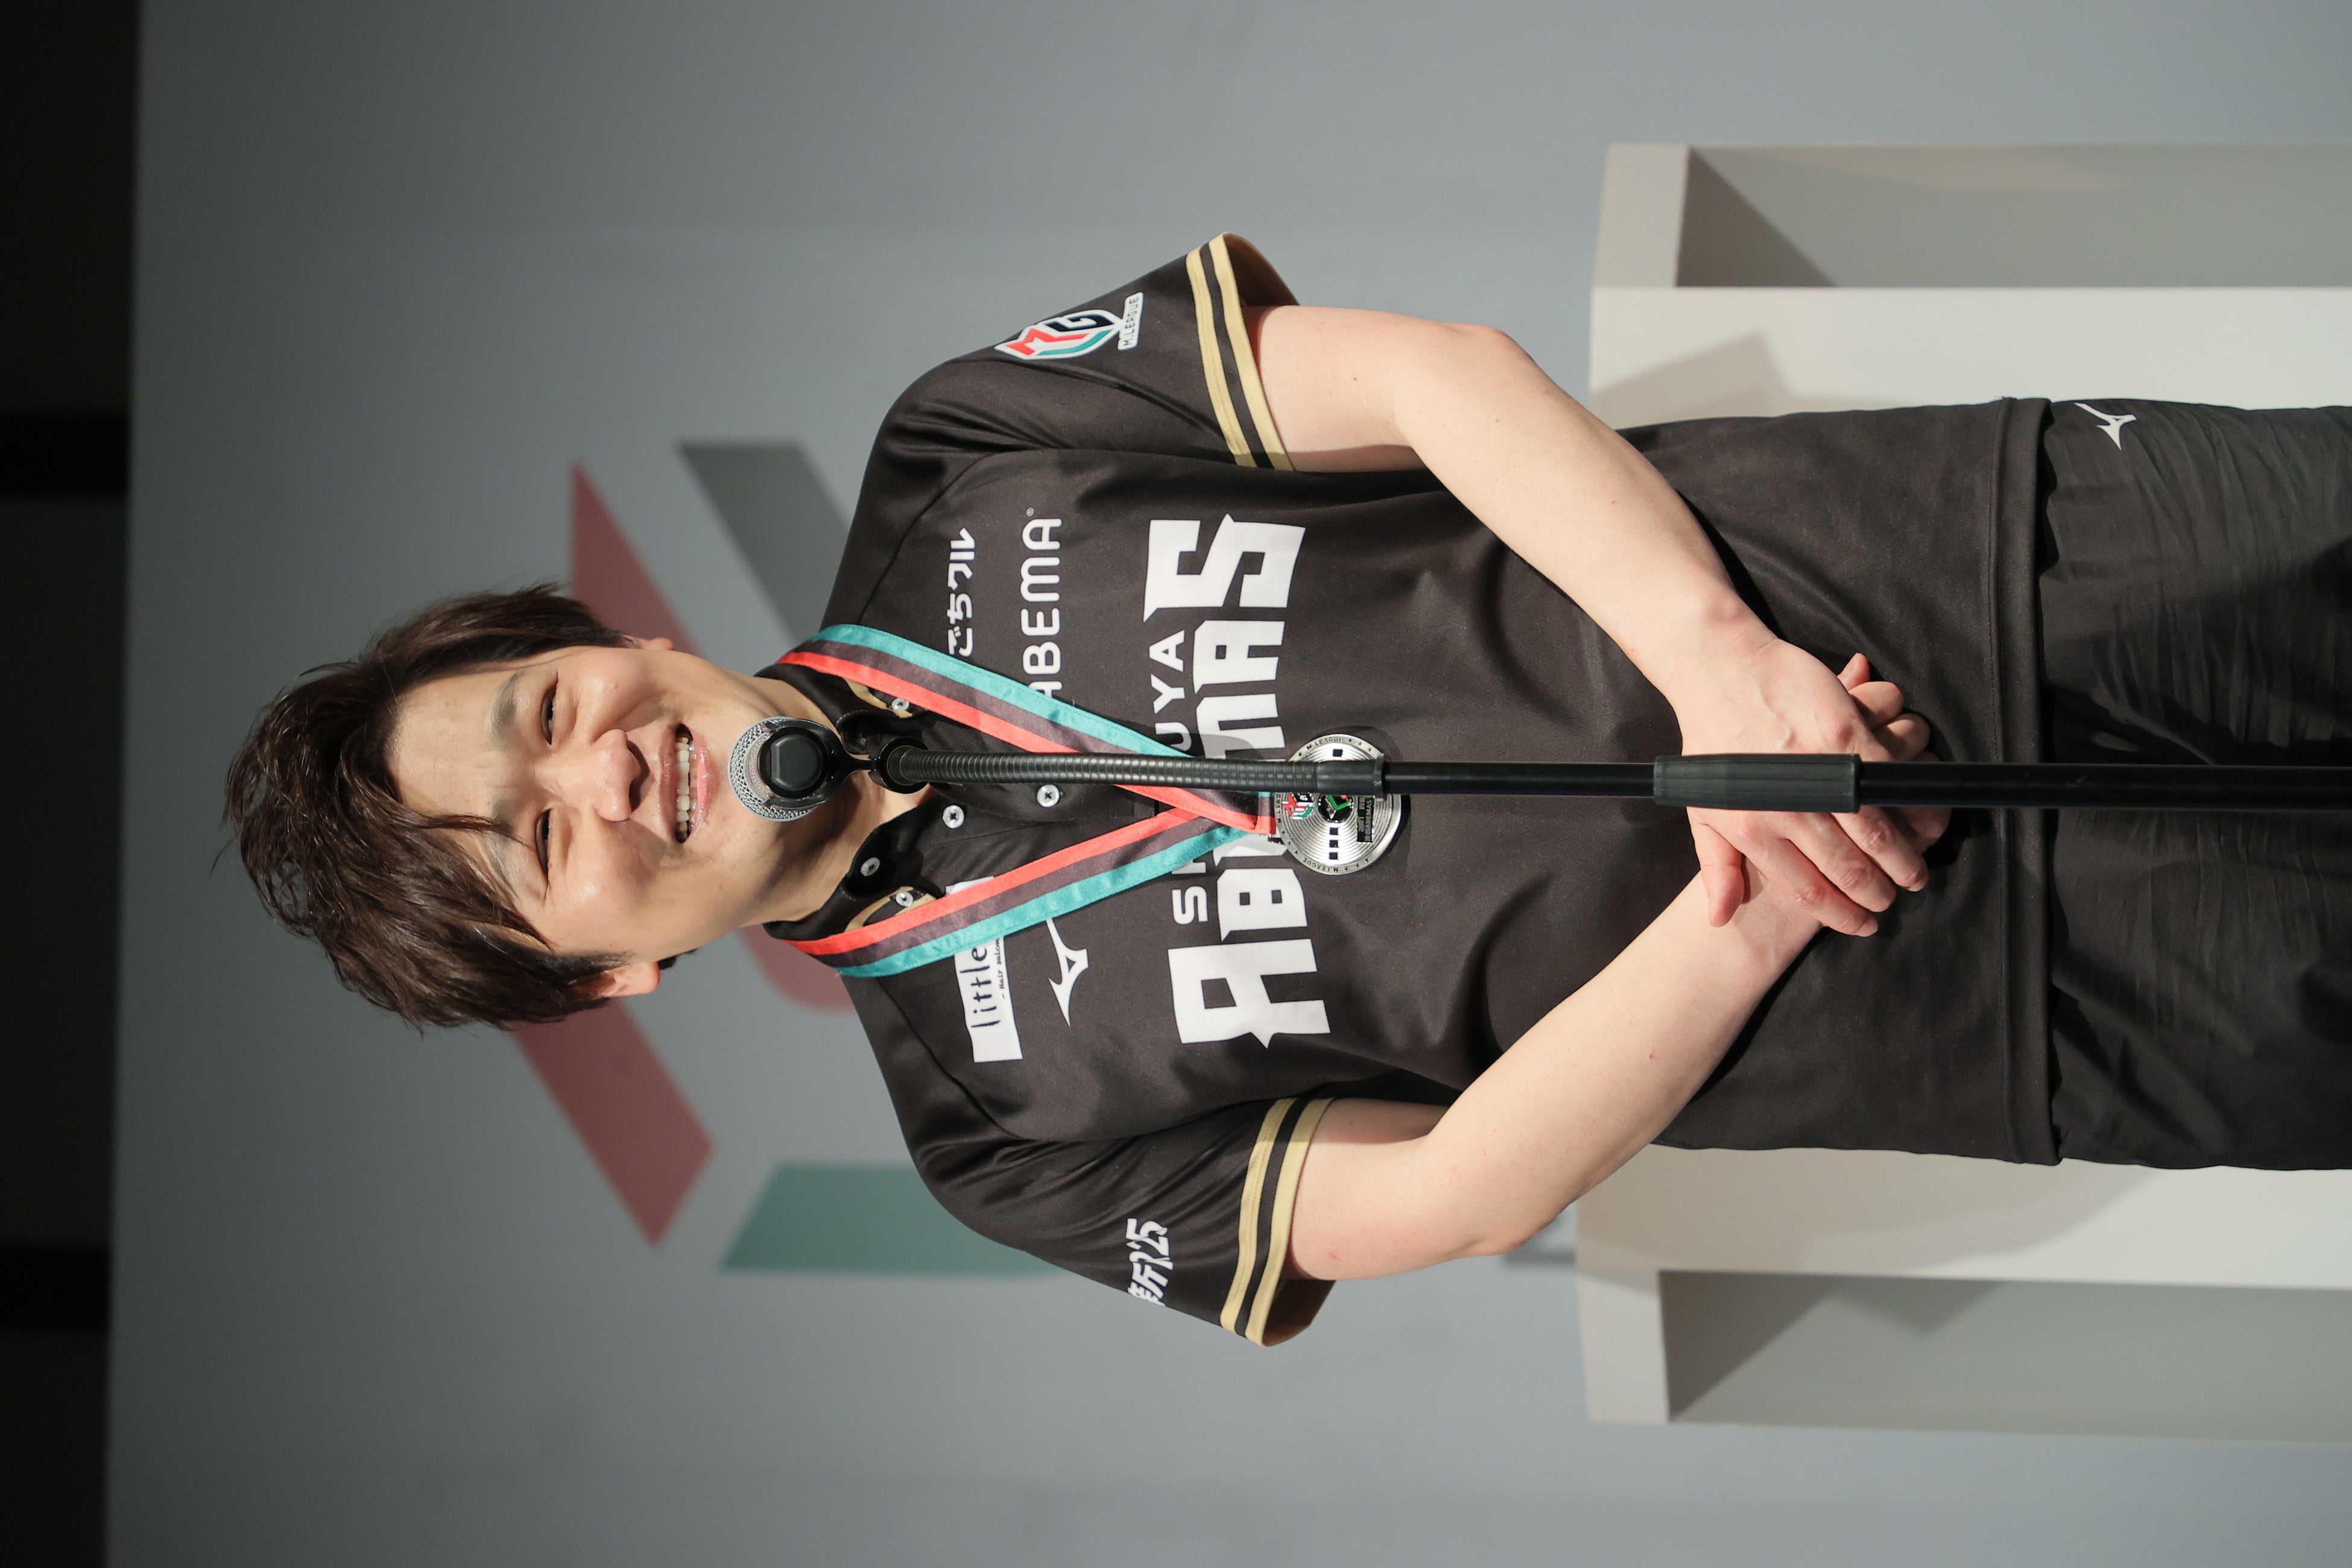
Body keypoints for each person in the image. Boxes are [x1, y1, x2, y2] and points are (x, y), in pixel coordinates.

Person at [227, 235, 2352, 1345]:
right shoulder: (999, 1140)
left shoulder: (959, 454)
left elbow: (1427, 378)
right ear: (599, 982)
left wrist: (1724, 670)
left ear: (595, 634)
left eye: (547, 705)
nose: (601, 765)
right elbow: (1450, 1196)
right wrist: (1761, 906)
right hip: (1990, 991)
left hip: (1965, 557)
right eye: (541, 838)